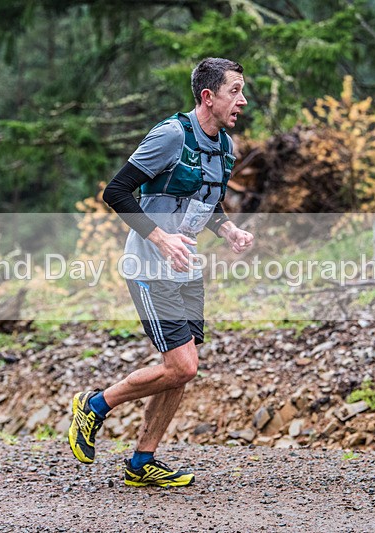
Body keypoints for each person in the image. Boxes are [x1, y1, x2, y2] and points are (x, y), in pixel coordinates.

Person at [68, 57, 254, 488]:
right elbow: (116, 191)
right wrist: (160, 238)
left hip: (186, 267)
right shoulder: (172, 135)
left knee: (182, 367)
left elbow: (205, 201)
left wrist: (228, 229)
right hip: (150, 266)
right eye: (235, 91)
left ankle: (141, 462)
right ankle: (94, 405)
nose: (242, 100)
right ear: (208, 96)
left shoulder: (225, 146)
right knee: (183, 366)